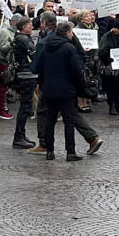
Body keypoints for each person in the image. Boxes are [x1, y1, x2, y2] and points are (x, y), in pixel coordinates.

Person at [34, 19, 97, 161]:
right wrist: (80, 87)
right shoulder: (69, 48)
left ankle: (50, 151)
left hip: (49, 89)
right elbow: (76, 71)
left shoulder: (45, 46)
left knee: (50, 121)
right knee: (69, 121)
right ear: (68, 33)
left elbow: (38, 68)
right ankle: (70, 152)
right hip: (66, 89)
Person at [10, 16, 38, 149]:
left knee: (26, 106)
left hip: (25, 74)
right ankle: (18, 137)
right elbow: (34, 53)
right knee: (25, 107)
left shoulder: (21, 38)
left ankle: (21, 134)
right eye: (29, 25)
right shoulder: (23, 39)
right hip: (26, 75)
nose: (32, 27)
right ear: (23, 27)